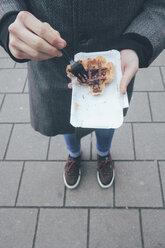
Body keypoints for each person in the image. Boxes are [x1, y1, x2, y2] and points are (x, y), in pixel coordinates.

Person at [0, 1, 164, 189]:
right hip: (50, 63)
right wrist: (8, 22)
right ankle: (74, 154)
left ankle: (103, 154)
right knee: (67, 121)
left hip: (117, 59)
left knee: (107, 120)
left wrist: (139, 42)